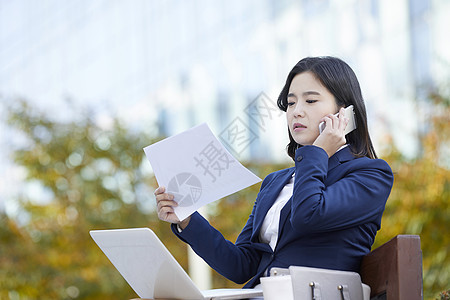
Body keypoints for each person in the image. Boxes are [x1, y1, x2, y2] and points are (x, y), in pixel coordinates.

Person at [154, 56, 394, 288]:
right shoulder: (275, 182)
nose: (296, 112)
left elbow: (308, 215)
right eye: (291, 103)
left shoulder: (371, 175)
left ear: (344, 112)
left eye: (310, 101)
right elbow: (240, 266)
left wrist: (318, 152)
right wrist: (187, 218)